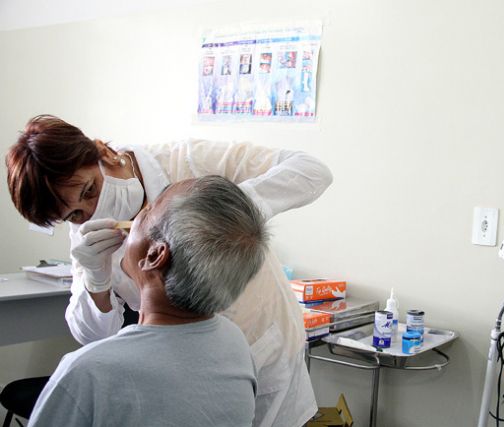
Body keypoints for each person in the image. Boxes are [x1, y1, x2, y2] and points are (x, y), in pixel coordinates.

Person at [6, 115, 333, 427]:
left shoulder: (186, 161)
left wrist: (227, 207)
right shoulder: (86, 234)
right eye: (74, 214)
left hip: (259, 340)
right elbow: (93, 334)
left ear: (101, 152)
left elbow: (311, 171)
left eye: (89, 190)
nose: (90, 211)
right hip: (181, 371)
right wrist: (96, 278)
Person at [28, 176, 267, 426]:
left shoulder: (88, 373)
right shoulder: (234, 342)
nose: (141, 211)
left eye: (150, 208)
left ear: (154, 255)